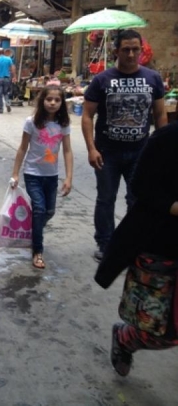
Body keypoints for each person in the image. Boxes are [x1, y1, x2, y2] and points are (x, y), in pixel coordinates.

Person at [94, 121, 178, 377]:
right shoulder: (167, 138)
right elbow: (140, 185)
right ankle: (125, 338)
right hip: (161, 247)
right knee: (160, 330)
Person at [81, 29, 167, 262]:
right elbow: (87, 116)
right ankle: (106, 244)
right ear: (116, 51)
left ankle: (131, 242)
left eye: (135, 49)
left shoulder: (153, 79)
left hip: (141, 152)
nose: (131, 54)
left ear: (141, 50)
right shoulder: (102, 80)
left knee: (137, 200)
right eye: (126, 49)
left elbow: (160, 115)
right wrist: (91, 148)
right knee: (106, 199)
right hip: (107, 152)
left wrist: (162, 150)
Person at [10, 85, 73, 269]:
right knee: (39, 208)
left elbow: (67, 151)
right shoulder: (31, 122)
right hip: (32, 173)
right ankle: (37, 251)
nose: (52, 103)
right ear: (42, 100)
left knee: (49, 211)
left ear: (62, 103)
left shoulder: (63, 124)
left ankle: (33, 229)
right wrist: (15, 173)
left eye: (57, 100)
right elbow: (23, 148)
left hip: (51, 175)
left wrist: (69, 177)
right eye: (49, 99)